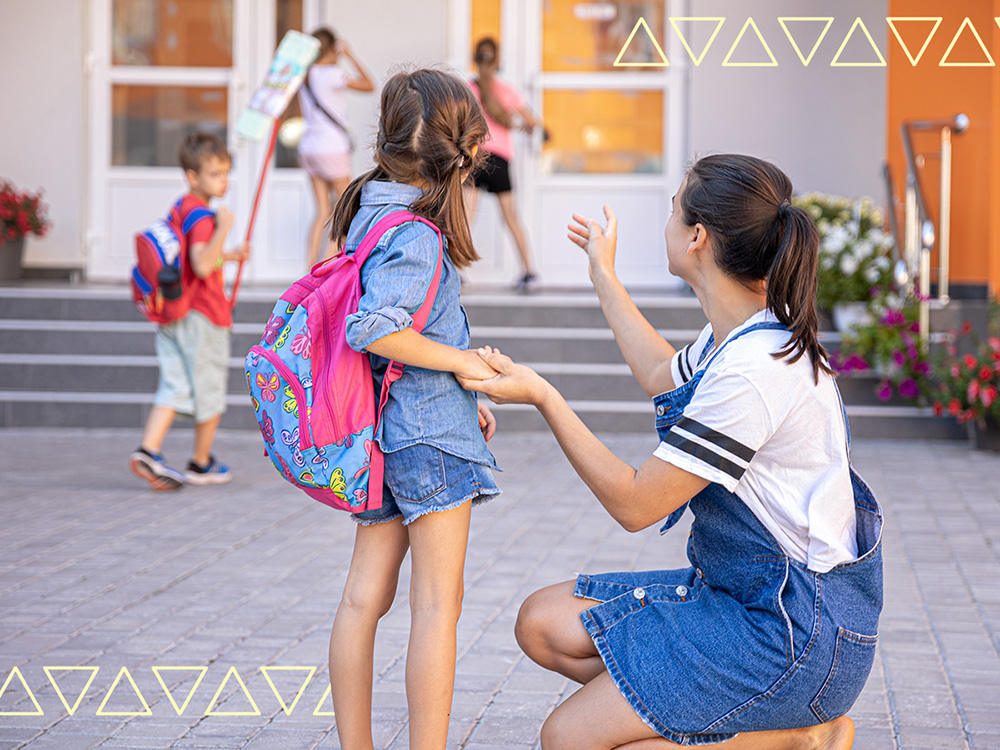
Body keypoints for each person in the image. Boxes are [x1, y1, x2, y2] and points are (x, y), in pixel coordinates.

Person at [460, 154, 883, 749]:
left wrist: (543, 396)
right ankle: (747, 719)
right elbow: (662, 373)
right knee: (543, 624)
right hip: (744, 598)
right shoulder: (739, 334)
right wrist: (604, 277)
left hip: (792, 633)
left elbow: (636, 505)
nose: (665, 222)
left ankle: (793, 736)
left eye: (671, 208)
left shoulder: (754, 371)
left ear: (697, 237)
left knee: (567, 739)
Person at [326, 69, 503, 750]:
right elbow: (374, 328)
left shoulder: (365, 208)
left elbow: (400, 335)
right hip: (426, 439)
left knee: (360, 600)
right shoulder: (418, 234)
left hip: (384, 432)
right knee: (437, 607)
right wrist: (464, 366)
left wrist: (461, 392)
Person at [128, 133, 251, 490]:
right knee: (210, 387)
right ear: (192, 177)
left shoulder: (182, 206)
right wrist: (224, 228)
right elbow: (200, 264)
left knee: (175, 383)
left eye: (226, 172)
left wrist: (229, 255)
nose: (223, 180)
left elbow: (190, 259)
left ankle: (148, 449)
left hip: (174, 310)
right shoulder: (204, 216)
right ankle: (201, 461)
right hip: (204, 315)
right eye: (215, 174)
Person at [465, 37, 540, 292]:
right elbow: (532, 121)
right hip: (499, 159)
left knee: (464, 219)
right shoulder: (506, 90)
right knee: (511, 218)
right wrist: (518, 125)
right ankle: (529, 271)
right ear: (498, 61)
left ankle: (453, 272)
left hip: (475, 158)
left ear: (475, 60)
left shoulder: (468, 89)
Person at [299, 27, 375, 268]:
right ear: (333, 48)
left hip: (309, 147)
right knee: (344, 207)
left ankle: (308, 265)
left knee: (321, 210)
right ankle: (323, 266)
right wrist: (350, 56)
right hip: (331, 147)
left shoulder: (305, 75)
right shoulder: (332, 74)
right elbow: (369, 85)